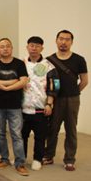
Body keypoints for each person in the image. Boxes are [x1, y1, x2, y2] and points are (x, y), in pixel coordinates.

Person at [44, 30, 88, 171]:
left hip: (72, 99)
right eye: (61, 39)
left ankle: (69, 159)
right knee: (52, 129)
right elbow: (40, 78)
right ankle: (49, 156)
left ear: (71, 42)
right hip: (55, 99)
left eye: (67, 39)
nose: (64, 42)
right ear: (56, 40)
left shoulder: (79, 59)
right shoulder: (48, 60)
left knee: (71, 129)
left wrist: (74, 92)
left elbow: (84, 81)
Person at [0, 38, 29, 176]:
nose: (5, 48)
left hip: (15, 105)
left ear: (11, 48)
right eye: (2, 47)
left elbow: (23, 81)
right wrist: (12, 82)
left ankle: (20, 163)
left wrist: (6, 88)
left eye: (7, 46)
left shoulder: (19, 64)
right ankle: (4, 159)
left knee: (16, 134)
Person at [21, 36, 58, 171]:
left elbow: (54, 86)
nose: (34, 48)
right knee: (21, 135)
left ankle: (37, 159)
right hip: (23, 108)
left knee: (40, 136)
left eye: (37, 46)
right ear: (27, 47)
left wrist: (49, 103)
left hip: (40, 108)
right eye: (31, 45)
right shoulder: (22, 63)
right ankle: (21, 157)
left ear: (42, 48)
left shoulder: (49, 65)